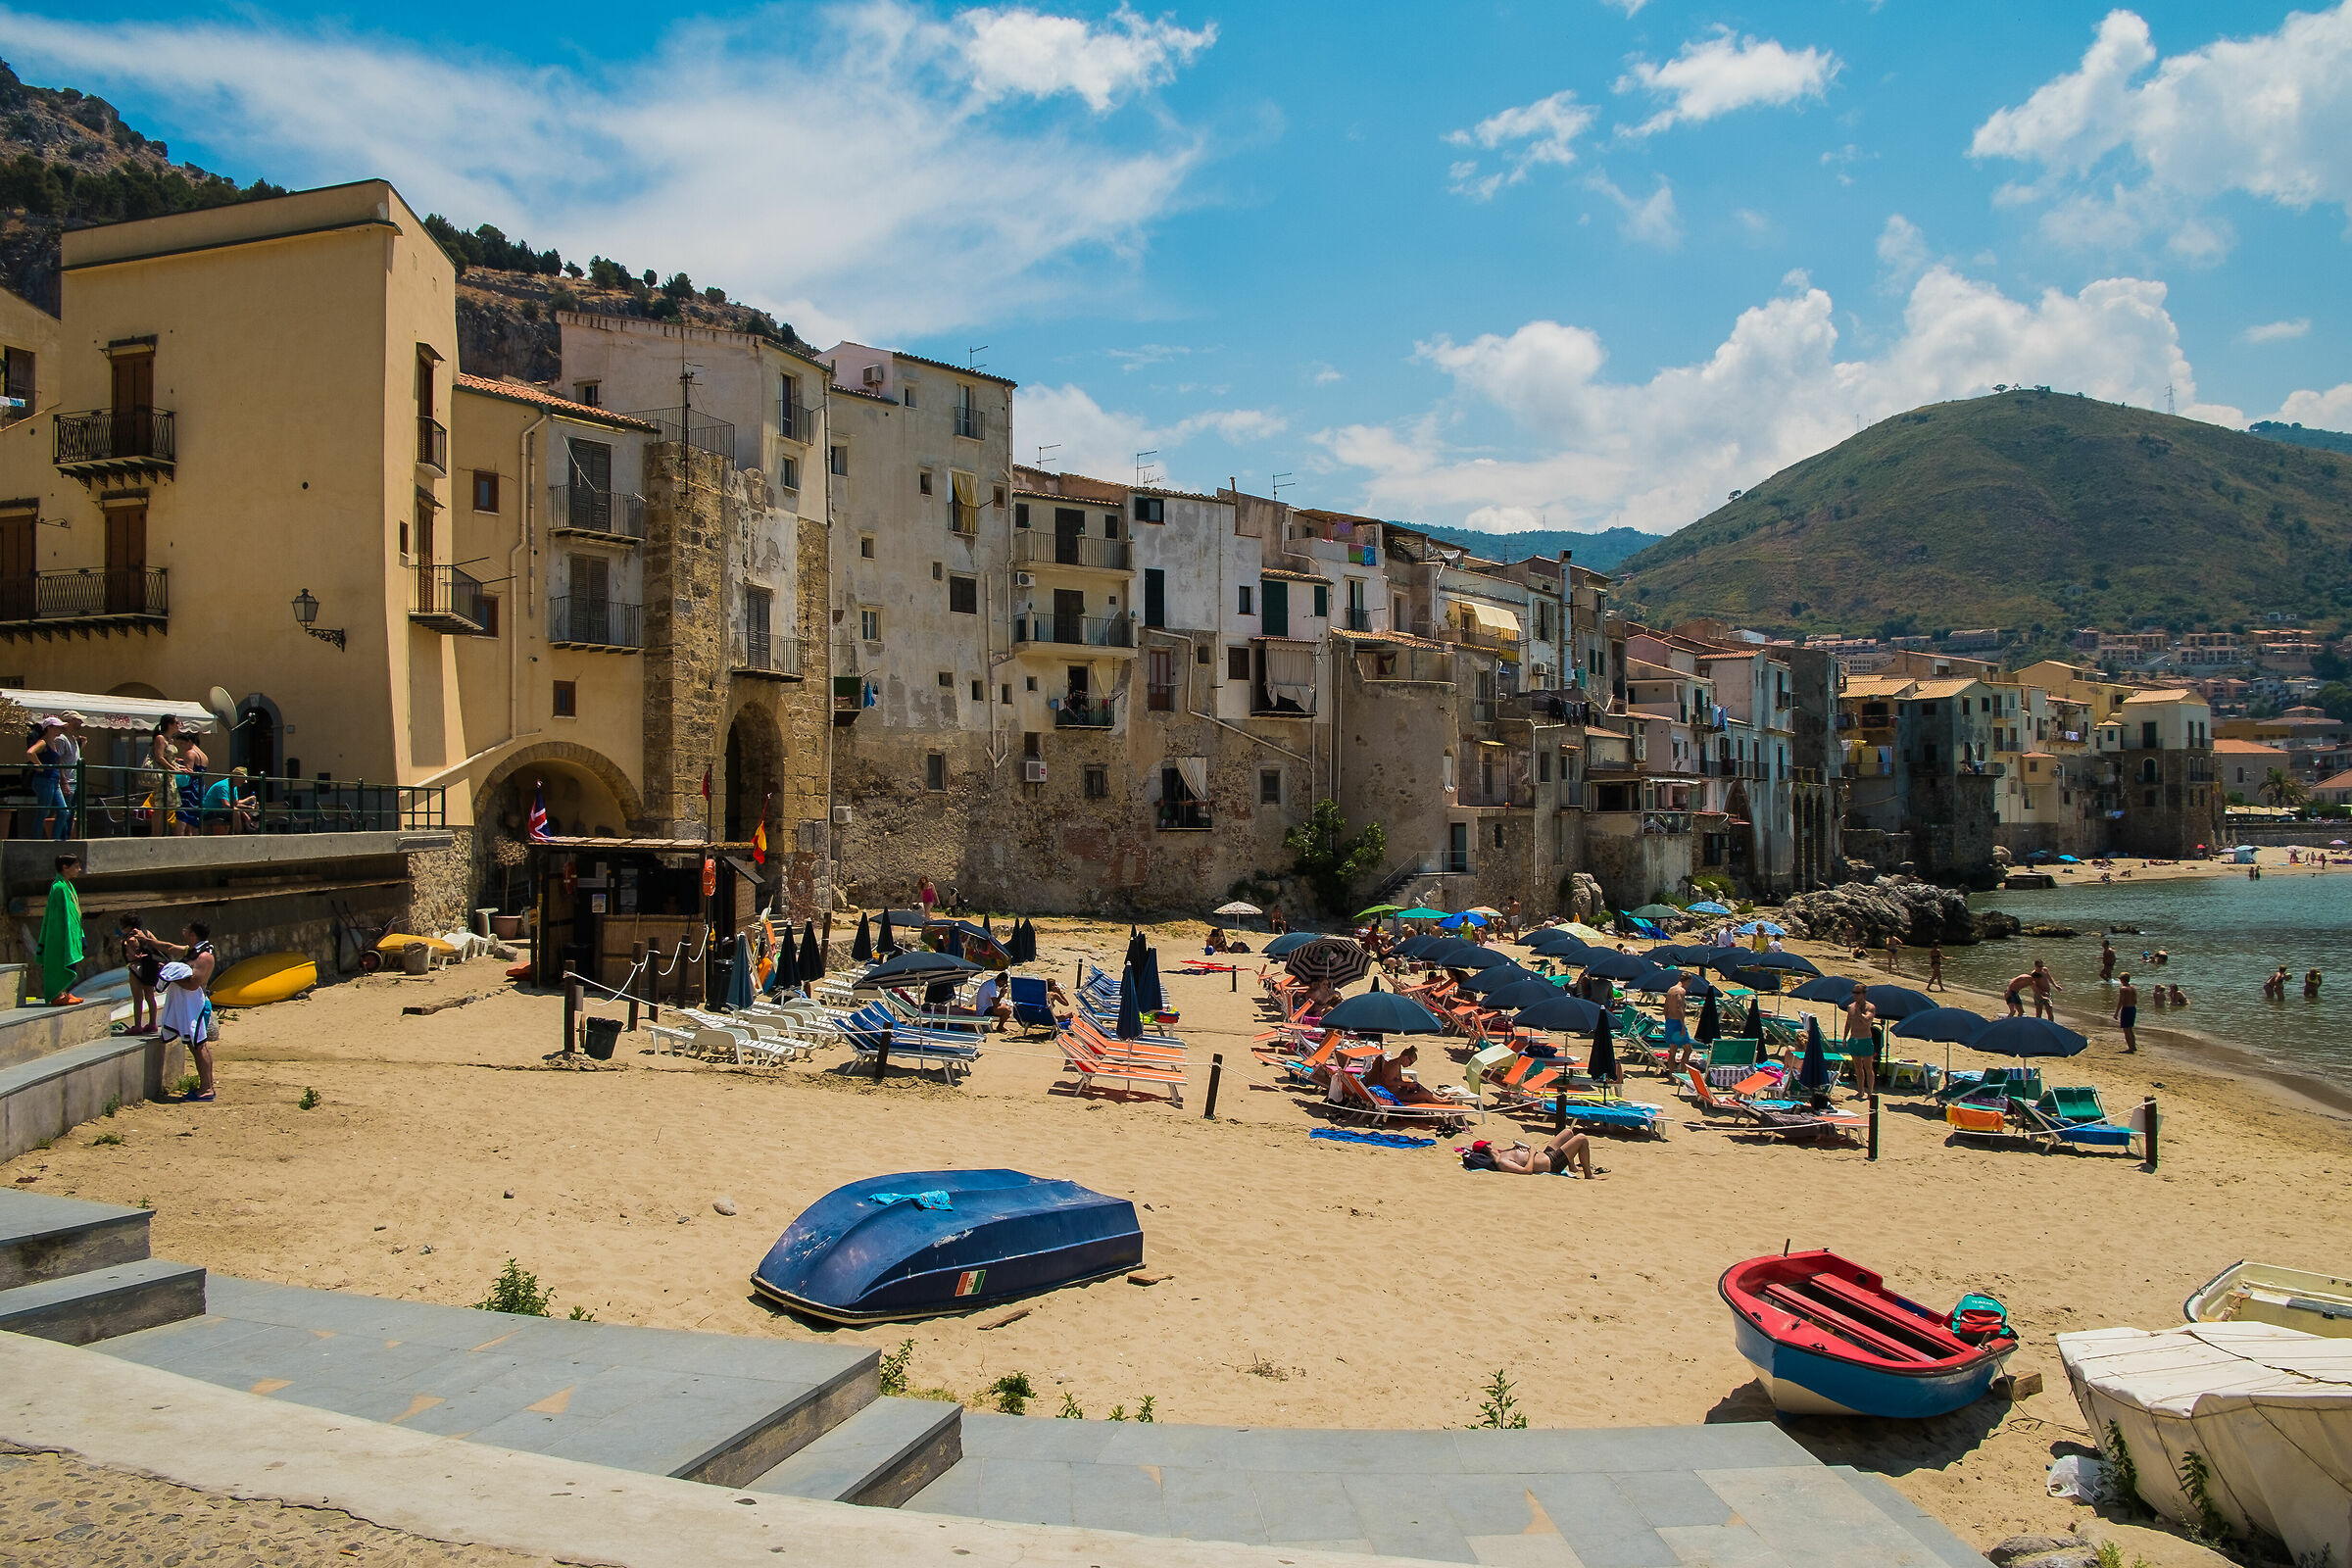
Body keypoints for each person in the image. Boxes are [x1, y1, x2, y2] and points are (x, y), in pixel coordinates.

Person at [151, 920, 219, 1101]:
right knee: (194, 1045)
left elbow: (193, 983)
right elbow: (170, 947)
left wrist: (170, 976)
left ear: (192, 934)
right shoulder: (192, 951)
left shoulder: (204, 957)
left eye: (186, 930)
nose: (183, 931)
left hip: (197, 1006)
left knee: (199, 1045)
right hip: (187, 1006)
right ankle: (205, 1086)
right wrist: (149, 941)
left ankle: (207, 1088)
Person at [38, 854, 83, 1005]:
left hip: (71, 934)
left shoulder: (67, 885)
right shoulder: (58, 888)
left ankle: (64, 992)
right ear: (65, 867)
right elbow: (57, 917)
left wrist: (79, 935)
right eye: (76, 866)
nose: (79, 869)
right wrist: (65, 936)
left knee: (68, 964)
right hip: (59, 935)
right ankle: (57, 995)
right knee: (58, 963)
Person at [25, 715, 78, 840]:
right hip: (45, 780)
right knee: (43, 811)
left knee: (64, 811)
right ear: (49, 728)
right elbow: (30, 752)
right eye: (58, 727)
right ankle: (36, 840)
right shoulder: (43, 742)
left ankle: (56, 839)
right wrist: (39, 766)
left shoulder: (53, 742)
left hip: (53, 781)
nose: (61, 730)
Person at [1483, 1127, 1601, 1178]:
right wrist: (1532, 1153)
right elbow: (1527, 1171)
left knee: (1568, 1132)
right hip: (1551, 1163)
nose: (1493, 1145)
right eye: (1490, 1144)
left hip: (1545, 1154)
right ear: (1488, 1147)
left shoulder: (1501, 1153)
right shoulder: (1502, 1162)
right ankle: (1588, 1174)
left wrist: (1518, 1149)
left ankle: (1573, 1167)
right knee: (1581, 1138)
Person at [117, 913, 165, 1036]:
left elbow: (131, 953)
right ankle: (153, 1024)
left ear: (127, 926)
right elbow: (156, 944)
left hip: (135, 968)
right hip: (150, 966)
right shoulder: (146, 933)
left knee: (138, 999)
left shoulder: (129, 938)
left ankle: (137, 1025)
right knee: (150, 996)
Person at [145, 715, 182, 838]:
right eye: (177, 722)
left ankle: (160, 833)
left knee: (167, 806)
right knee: (160, 806)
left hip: (169, 777)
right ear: (170, 724)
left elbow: (171, 759)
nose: (179, 725)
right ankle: (155, 834)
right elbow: (159, 757)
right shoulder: (160, 738)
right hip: (161, 776)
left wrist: (181, 768)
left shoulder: (170, 740)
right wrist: (173, 769)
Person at [203, 766, 259, 833]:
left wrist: (249, 807)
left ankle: (251, 830)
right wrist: (242, 812)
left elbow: (236, 803)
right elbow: (226, 805)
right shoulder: (223, 786)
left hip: (221, 811)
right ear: (236, 778)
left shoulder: (234, 787)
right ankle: (238, 834)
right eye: (243, 779)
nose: (244, 782)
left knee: (252, 812)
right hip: (210, 812)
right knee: (236, 812)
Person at [1844, 984, 1878, 1097]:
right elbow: (1848, 1023)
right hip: (1854, 1039)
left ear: (1864, 994)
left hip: (1865, 1039)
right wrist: (1844, 1038)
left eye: (1857, 993)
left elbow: (1867, 1021)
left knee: (1868, 1067)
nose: (1855, 995)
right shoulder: (1850, 1007)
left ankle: (1870, 1091)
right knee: (1857, 1067)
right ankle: (1860, 1090)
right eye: (1854, 992)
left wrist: (1859, 1012)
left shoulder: (1870, 1007)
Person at [1661, 972, 1692, 1068]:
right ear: (1688, 981)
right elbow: (1680, 1008)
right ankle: (1682, 1075)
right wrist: (1682, 1026)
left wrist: (1667, 1021)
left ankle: (1671, 1076)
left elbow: (1665, 1008)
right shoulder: (1681, 991)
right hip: (1677, 1023)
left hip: (1669, 1022)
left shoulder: (1671, 990)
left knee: (1673, 1051)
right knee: (1688, 1050)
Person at [2114, 973, 2138, 1054]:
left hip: (2126, 1009)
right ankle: (2133, 1046)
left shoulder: (2123, 989)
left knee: (2126, 1030)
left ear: (2122, 980)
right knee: (2130, 1029)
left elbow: (2120, 1001)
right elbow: (2135, 1000)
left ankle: (2130, 1048)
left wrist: (2116, 1012)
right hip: (2133, 1008)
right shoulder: (2133, 988)